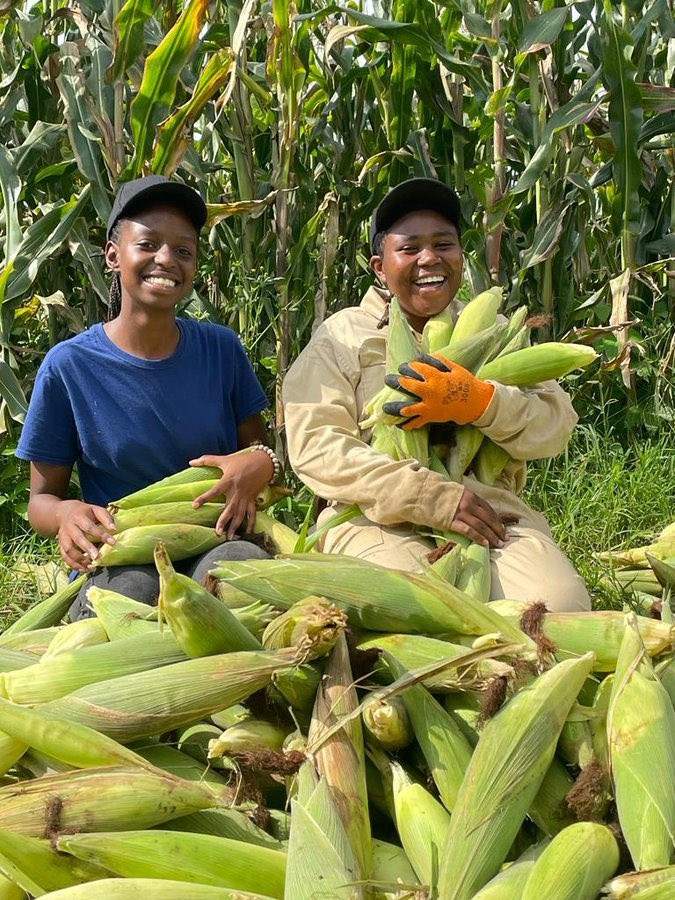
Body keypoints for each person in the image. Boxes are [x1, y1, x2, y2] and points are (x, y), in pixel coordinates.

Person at [282, 177, 591, 611]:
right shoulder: (343, 335)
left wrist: (481, 402)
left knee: (558, 607)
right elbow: (317, 446)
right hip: (377, 516)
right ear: (379, 266)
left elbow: (555, 427)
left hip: (488, 509)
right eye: (410, 248)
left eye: (443, 245)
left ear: (461, 257)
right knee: (410, 611)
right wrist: (430, 497)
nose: (429, 258)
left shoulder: (495, 332)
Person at [17, 175, 277, 619]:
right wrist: (66, 516)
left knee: (235, 579)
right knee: (131, 595)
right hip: (123, 547)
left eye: (183, 250)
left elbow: (257, 453)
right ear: (113, 256)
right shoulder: (70, 366)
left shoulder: (221, 349)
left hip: (217, 535)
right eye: (148, 244)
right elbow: (41, 502)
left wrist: (262, 463)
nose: (166, 259)